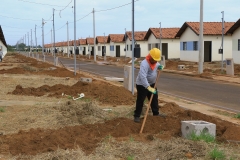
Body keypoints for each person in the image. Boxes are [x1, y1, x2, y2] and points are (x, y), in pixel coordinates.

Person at [134, 48, 166, 123]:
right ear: (150, 56)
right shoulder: (144, 63)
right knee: (141, 100)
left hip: (152, 84)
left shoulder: (155, 62)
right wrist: (148, 87)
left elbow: (157, 65)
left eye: (156, 60)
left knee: (154, 98)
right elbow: (142, 77)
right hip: (142, 85)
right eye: (154, 59)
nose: (155, 61)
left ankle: (156, 114)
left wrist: (160, 67)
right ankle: (137, 115)